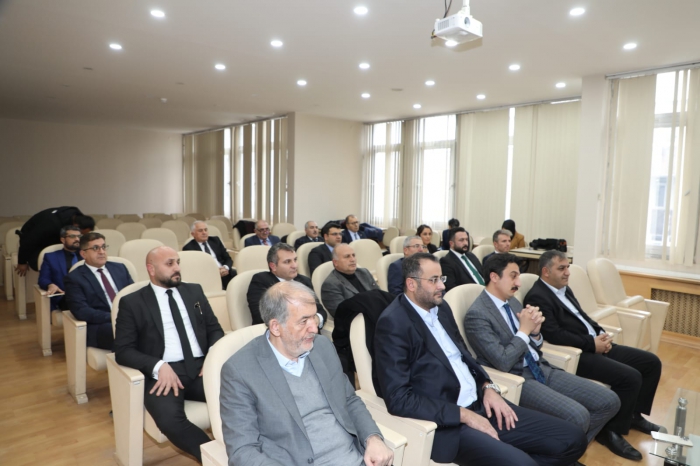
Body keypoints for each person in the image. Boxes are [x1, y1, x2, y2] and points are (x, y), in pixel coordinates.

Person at [374, 253, 587, 465]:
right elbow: (399, 399)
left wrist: (487, 386)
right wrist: (463, 415)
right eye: (434, 280)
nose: (442, 286)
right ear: (411, 284)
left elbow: (466, 357)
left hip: (483, 403)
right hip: (450, 423)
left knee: (573, 439)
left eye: (442, 278)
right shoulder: (393, 323)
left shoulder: (441, 307)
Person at [464, 254, 625, 457]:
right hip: (519, 377)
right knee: (579, 416)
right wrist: (524, 331)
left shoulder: (512, 302)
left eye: (518, 276)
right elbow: (502, 361)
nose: (518, 283)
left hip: (541, 367)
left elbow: (533, 347)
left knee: (610, 401)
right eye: (513, 276)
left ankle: (566, 452)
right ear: (494, 277)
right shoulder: (477, 315)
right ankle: (566, 453)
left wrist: (535, 333)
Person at [220, 281, 394, 466]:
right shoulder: (240, 371)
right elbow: (243, 451)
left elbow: (349, 400)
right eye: (304, 321)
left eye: (314, 318)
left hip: (356, 459)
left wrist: (372, 438)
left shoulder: (322, 347)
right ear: (276, 327)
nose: (314, 328)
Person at [524, 250, 663, 460]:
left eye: (567, 267)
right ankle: (610, 431)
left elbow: (583, 317)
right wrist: (592, 344)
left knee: (651, 362)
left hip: (595, 343)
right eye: (561, 268)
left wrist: (600, 333)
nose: (567, 272)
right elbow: (554, 334)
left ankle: (634, 414)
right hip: (579, 354)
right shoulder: (537, 296)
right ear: (546, 271)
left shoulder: (564, 289)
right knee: (630, 376)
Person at [114, 246, 224, 463]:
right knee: (170, 421)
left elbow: (214, 329)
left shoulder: (194, 291)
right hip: (163, 374)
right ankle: (215, 460)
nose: (177, 268)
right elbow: (123, 351)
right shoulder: (132, 302)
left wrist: (212, 357)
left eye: (178, 262)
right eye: (170, 263)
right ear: (151, 269)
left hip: (202, 368)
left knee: (244, 398)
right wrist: (158, 366)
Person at [64, 232, 134, 350]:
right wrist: (115, 316)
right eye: (95, 248)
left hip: (127, 317)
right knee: (127, 332)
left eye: (103, 247)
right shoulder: (74, 278)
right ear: (83, 254)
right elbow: (81, 311)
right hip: (101, 324)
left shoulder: (120, 268)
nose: (101, 252)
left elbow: (134, 296)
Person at [246, 242, 327, 327]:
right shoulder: (261, 281)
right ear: (273, 266)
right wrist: (303, 322)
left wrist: (316, 319)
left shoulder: (304, 281)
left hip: (311, 331)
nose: (294, 265)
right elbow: (261, 316)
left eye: (295, 260)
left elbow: (321, 311)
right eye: (287, 262)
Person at [15, 206, 94, 275]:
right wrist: (22, 262)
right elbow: (29, 240)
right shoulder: (51, 224)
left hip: (53, 236)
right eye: (81, 233)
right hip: (35, 240)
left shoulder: (77, 216)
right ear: (76, 226)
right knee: (45, 263)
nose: (79, 238)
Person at [321, 244, 379, 317]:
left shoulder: (364, 272)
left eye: (353, 255)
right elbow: (341, 314)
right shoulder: (330, 284)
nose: (352, 259)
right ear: (335, 262)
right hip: (359, 320)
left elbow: (378, 294)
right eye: (347, 256)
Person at [38, 226, 82, 310]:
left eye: (79, 236)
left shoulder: (87, 255)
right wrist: (50, 285)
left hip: (88, 294)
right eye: (72, 236)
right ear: (63, 240)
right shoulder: (51, 257)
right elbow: (43, 278)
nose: (77, 239)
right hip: (66, 296)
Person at [182, 221, 236, 290]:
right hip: (207, 276)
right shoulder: (188, 248)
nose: (204, 232)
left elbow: (228, 258)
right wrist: (215, 272)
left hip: (225, 273)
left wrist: (225, 268)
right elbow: (195, 268)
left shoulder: (216, 240)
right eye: (200, 231)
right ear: (193, 234)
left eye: (205, 230)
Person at [439, 227, 484, 292]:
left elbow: (483, 275)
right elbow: (451, 288)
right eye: (461, 240)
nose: (466, 243)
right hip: (472, 294)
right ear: (451, 243)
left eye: (466, 239)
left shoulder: (471, 255)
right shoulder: (446, 262)